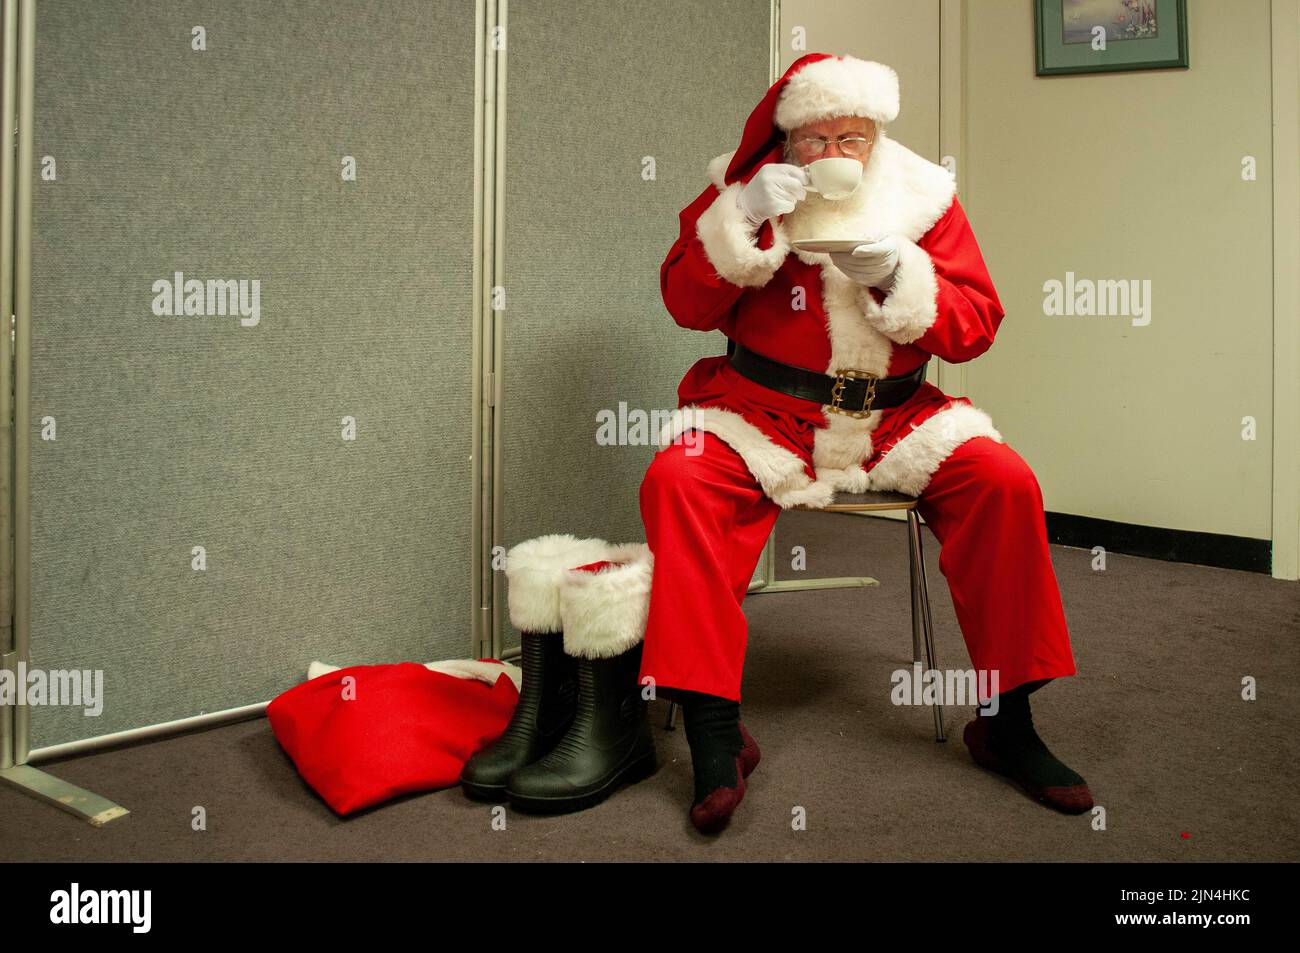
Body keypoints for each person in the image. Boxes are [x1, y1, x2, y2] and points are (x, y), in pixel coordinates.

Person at [637, 53, 1093, 835]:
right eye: (817, 139)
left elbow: (976, 325)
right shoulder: (742, 191)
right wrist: (741, 217)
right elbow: (683, 303)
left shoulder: (922, 197)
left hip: (897, 417)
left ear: (875, 135)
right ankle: (716, 731)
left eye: (853, 137)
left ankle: (1006, 720)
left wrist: (898, 277)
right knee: (677, 479)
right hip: (760, 410)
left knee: (1003, 480)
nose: (836, 154)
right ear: (788, 140)